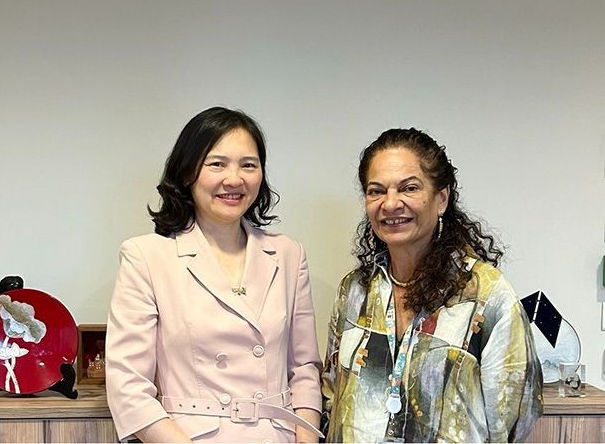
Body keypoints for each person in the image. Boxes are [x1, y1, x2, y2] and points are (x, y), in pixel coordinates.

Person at [106, 107, 323, 442]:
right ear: (187, 172)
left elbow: (305, 368)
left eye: (248, 165)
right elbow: (128, 386)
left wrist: (305, 439)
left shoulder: (289, 254)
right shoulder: (146, 256)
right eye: (217, 164)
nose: (234, 179)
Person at [321, 128, 543, 442]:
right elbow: (332, 393)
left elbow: (514, 417)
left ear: (441, 198)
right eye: (376, 191)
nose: (391, 203)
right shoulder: (356, 290)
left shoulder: (487, 296)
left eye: (409, 188)